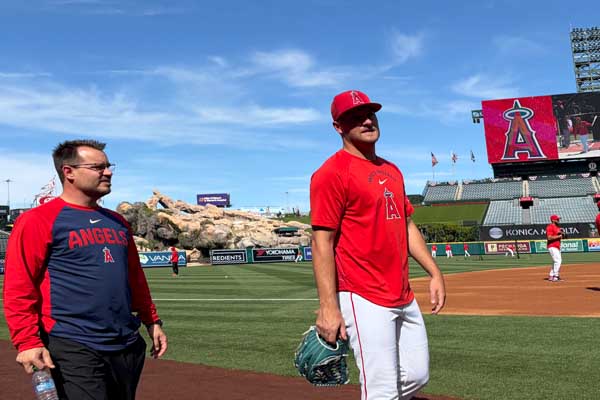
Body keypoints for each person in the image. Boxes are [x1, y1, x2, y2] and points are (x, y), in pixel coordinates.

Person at [2, 139, 167, 400]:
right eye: (98, 167)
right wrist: (27, 341)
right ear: (69, 172)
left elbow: (134, 278)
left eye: (109, 166)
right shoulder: (38, 220)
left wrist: (151, 320)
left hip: (125, 342)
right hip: (73, 343)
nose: (108, 172)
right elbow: (19, 286)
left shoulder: (117, 222)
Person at [310, 89, 446, 399]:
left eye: (370, 114)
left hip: (402, 292)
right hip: (362, 295)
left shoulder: (392, 170)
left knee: (417, 375)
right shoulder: (331, 173)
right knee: (382, 389)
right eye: (355, 117)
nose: (367, 121)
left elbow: (406, 224)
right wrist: (328, 307)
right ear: (338, 127)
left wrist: (434, 272)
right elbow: (322, 242)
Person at [546, 214, 564, 282]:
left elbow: (560, 236)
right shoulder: (550, 227)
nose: (558, 220)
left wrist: (563, 235)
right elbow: (549, 238)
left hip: (557, 246)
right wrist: (559, 236)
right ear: (553, 220)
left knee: (555, 261)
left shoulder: (557, 227)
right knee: (558, 261)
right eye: (557, 219)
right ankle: (555, 276)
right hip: (552, 246)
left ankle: (551, 275)